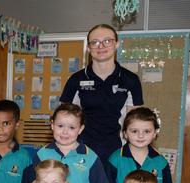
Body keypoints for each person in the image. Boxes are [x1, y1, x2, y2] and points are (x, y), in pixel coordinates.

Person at [60, 23, 143, 163]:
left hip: (118, 150)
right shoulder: (76, 80)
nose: (101, 46)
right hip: (81, 150)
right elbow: (63, 120)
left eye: (107, 41)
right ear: (88, 48)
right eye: (95, 42)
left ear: (116, 44)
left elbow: (136, 122)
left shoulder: (130, 80)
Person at [106, 106, 173, 183]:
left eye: (147, 131)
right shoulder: (115, 159)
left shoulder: (161, 162)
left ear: (155, 133)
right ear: (125, 133)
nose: (140, 135)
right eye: (134, 131)